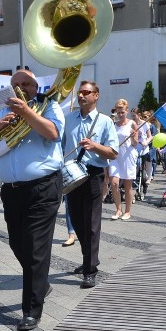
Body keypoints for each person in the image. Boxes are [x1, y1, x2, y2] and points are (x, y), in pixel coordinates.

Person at [0, 69, 63, 331]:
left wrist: (26, 113)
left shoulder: (49, 106)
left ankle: (31, 311)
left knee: (35, 247)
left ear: (35, 87)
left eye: (27, 84)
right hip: (11, 190)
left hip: (43, 187)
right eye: (16, 85)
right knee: (17, 243)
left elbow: (53, 134)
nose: (21, 88)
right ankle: (41, 283)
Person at [61, 80, 117, 289]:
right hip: (72, 174)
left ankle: (90, 270)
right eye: (81, 92)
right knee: (76, 221)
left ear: (96, 95)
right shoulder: (68, 119)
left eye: (87, 92)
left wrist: (94, 146)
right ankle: (89, 258)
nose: (82, 95)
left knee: (92, 224)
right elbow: (60, 145)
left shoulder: (105, 122)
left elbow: (113, 152)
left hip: (93, 174)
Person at [109, 99, 138, 221]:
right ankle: (118, 209)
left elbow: (136, 143)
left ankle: (128, 211)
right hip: (116, 156)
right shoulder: (113, 125)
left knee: (127, 185)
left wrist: (132, 137)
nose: (120, 115)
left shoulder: (132, 124)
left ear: (126, 111)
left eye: (122, 112)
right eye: (118, 112)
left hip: (128, 155)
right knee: (114, 182)